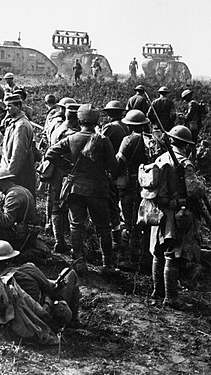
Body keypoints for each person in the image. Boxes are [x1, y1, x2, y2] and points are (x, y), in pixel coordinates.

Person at [45, 104, 119, 275]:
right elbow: (114, 167)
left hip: (75, 189)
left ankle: (79, 262)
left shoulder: (71, 139)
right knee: (103, 228)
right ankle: (107, 265)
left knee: (76, 225)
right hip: (98, 190)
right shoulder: (103, 140)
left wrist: (69, 167)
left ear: (79, 120)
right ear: (96, 121)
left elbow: (50, 154)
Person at [0, 241, 81, 344]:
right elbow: (51, 289)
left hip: (13, 326)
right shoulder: (28, 269)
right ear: (11, 259)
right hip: (43, 319)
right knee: (70, 273)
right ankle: (73, 323)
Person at [149, 126, 205, 311]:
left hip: (159, 211)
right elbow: (193, 190)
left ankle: (158, 291)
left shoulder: (161, 157)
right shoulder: (184, 163)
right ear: (185, 144)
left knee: (158, 251)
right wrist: (201, 185)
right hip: (177, 213)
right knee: (172, 254)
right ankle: (171, 298)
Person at [115, 110, 151, 271]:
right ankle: (146, 257)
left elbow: (119, 162)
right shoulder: (152, 140)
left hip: (130, 185)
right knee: (146, 221)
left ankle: (132, 259)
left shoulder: (128, 140)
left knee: (130, 221)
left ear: (129, 125)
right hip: (148, 185)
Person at [46, 102, 80, 254]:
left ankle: (59, 241)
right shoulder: (70, 133)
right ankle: (62, 242)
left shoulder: (58, 127)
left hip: (56, 172)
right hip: (64, 174)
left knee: (55, 205)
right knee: (65, 206)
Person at [101, 100, 130, 248]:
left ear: (109, 114)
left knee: (110, 204)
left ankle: (115, 239)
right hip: (124, 170)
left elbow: (99, 145)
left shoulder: (110, 128)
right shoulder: (127, 126)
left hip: (111, 171)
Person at [1, 93, 36, 196]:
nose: (7, 109)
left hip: (21, 172)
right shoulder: (14, 122)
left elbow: (18, 154)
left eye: (10, 106)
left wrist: (9, 175)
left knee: (21, 200)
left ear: (19, 106)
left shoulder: (21, 125)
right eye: (6, 106)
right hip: (16, 169)